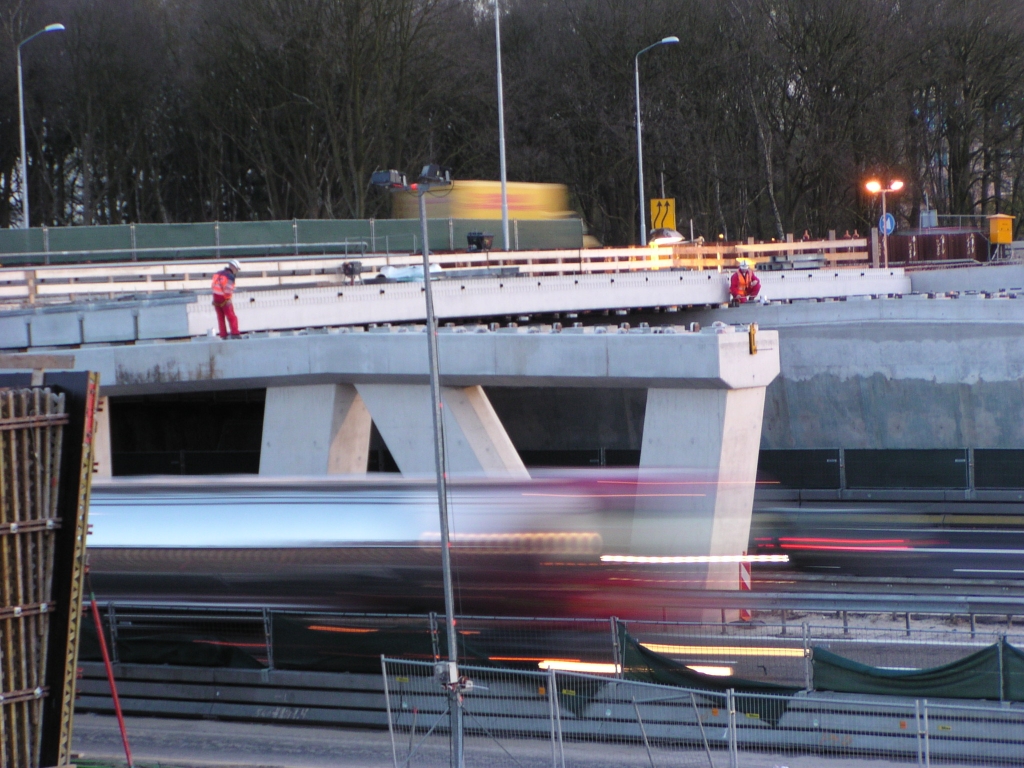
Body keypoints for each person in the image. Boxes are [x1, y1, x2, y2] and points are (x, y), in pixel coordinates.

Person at [211, 260, 242, 338]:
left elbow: (213, 285)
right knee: (232, 317)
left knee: (220, 317)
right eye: (237, 269)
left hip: (216, 298)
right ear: (233, 267)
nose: (236, 271)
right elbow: (228, 289)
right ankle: (235, 333)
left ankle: (223, 335)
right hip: (224, 299)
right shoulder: (230, 276)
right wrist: (228, 299)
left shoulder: (217, 273)